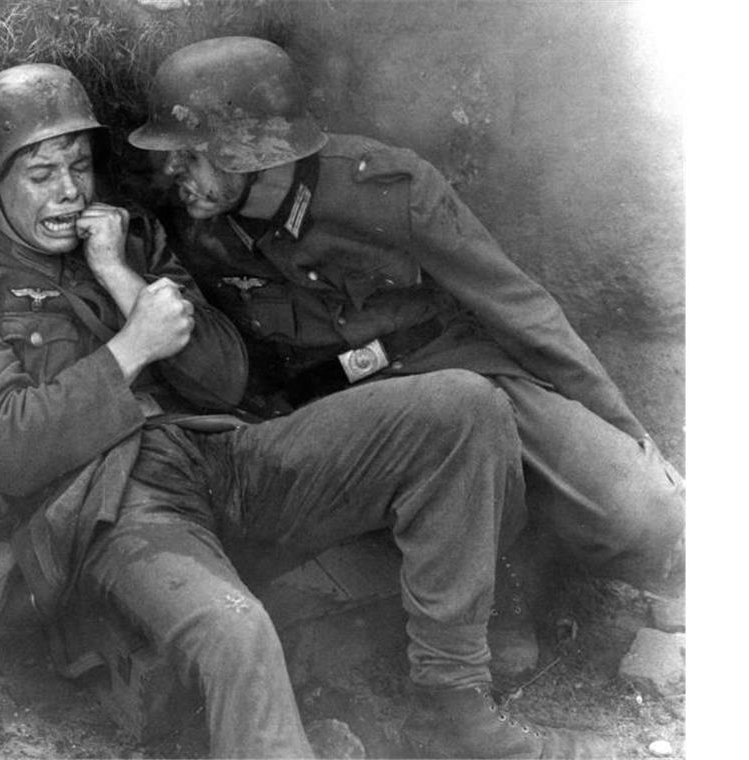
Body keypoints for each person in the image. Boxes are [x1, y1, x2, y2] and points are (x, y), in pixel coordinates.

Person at [0, 62, 610, 758]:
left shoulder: (132, 242)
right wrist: (129, 348)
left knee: (464, 406)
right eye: (40, 174)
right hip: (114, 509)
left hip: (224, 459)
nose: (68, 191)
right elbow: (8, 448)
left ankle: (452, 712)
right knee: (238, 633)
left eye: (79, 167)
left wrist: (120, 277)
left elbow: (224, 381)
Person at [129, 32, 685, 694]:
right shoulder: (199, 231)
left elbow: (520, 309)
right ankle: (504, 589)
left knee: (642, 512)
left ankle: (553, 556)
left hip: (472, 371)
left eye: (189, 157)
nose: (172, 174)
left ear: (246, 148)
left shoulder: (388, 187)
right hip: (365, 415)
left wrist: (623, 426)